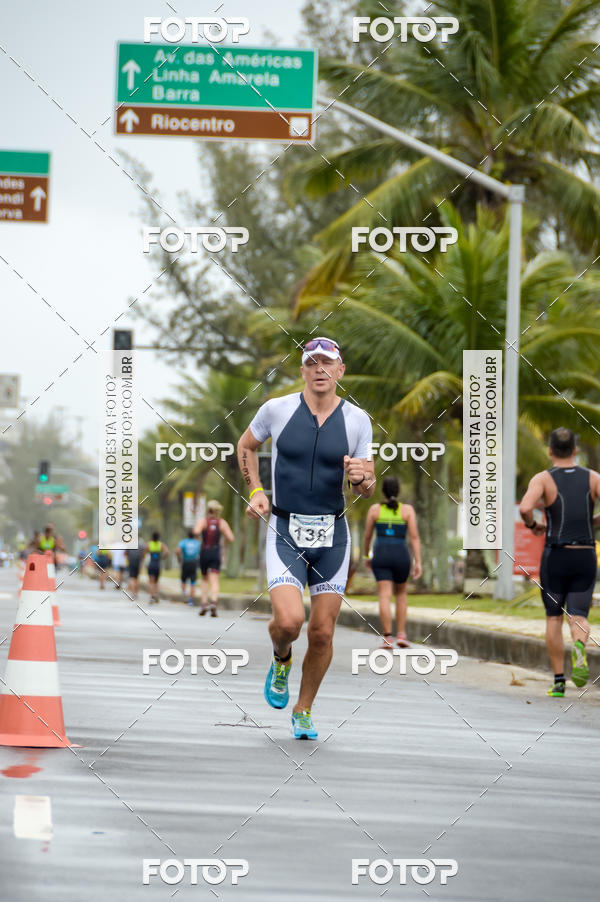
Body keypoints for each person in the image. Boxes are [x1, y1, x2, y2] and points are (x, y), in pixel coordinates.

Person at [237, 336, 375, 740]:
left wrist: (362, 479)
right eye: (312, 362)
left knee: (322, 632)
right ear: (303, 370)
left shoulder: (357, 420)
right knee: (289, 621)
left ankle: (304, 709)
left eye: (327, 363)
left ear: (340, 370)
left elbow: (367, 481)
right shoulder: (276, 410)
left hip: (333, 534)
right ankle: (281, 658)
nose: (320, 369)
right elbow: (246, 446)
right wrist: (257, 491)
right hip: (285, 531)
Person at [519, 427, 600, 697]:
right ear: (575, 450)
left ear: (550, 450)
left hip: (555, 556)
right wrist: (594, 521)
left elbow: (525, 508)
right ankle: (579, 647)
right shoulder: (593, 478)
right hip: (585, 555)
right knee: (578, 615)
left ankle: (558, 681)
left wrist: (534, 525)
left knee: (554, 618)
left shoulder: (543, 479)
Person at [363, 476, 422, 649]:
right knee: (401, 594)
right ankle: (402, 635)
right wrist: (418, 562)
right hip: (401, 554)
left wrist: (367, 556)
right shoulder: (407, 510)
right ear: (398, 491)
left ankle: (387, 637)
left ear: (383, 491)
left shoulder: (374, 510)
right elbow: (414, 537)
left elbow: (367, 537)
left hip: (381, 553)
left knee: (384, 595)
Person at [194, 501, 234, 616]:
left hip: (205, 551)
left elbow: (196, 531)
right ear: (218, 511)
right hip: (216, 552)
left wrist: (200, 536)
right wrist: (223, 539)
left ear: (208, 510)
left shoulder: (203, 521)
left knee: (204, 579)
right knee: (215, 579)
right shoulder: (221, 523)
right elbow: (231, 538)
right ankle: (214, 603)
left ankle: (204, 603)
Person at [176, 528, 201, 605]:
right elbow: (201, 551)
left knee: (183, 580)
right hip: (194, 563)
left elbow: (177, 551)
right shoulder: (197, 543)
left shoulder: (183, 542)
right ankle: (191, 600)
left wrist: (179, 559)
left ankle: (184, 595)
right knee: (193, 581)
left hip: (185, 562)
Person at [146, 532, 169, 604]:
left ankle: (151, 596)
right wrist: (162, 557)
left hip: (151, 564)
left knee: (151, 582)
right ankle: (156, 595)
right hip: (158, 565)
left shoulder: (149, 544)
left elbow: (145, 552)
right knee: (156, 582)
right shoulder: (161, 544)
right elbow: (167, 552)